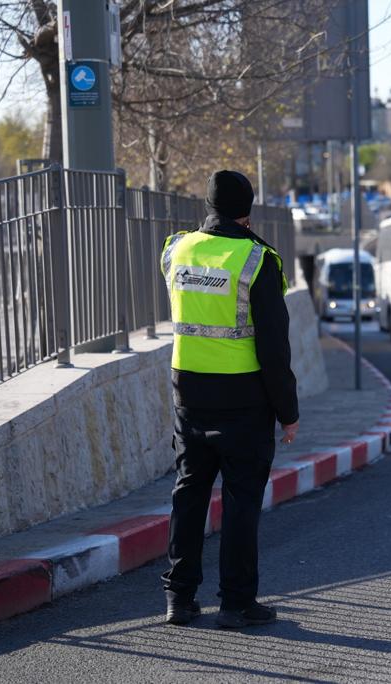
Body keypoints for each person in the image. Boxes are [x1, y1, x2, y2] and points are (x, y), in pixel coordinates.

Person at [159, 170, 299, 628]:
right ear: (248, 210)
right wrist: (288, 412)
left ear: (208, 204)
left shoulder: (176, 249)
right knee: (240, 501)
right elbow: (274, 348)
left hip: (188, 394)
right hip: (243, 400)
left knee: (188, 492)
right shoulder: (258, 260)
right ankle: (237, 604)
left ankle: (179, 599)